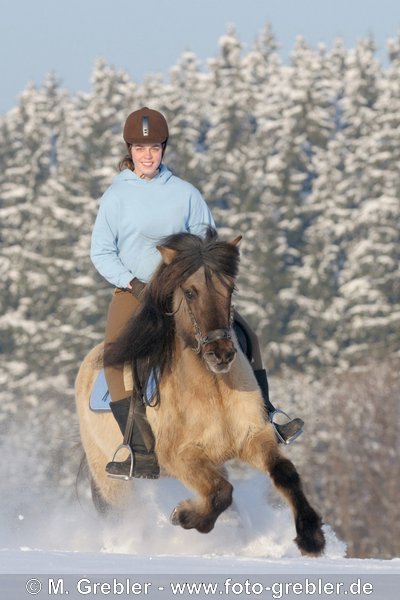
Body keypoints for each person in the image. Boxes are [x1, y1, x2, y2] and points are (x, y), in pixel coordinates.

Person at [90, 107, 304, 480]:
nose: (147, 155)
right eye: (140, 148)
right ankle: (136, 447)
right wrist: (132, 282)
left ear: (164, 149)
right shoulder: (115, 198)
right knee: (113, 358)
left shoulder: (185, 193)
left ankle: (268, 414)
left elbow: (207, 237)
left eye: (154, 147)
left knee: (247, 335)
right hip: (135, 292)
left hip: (188, 291)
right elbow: (101, 252)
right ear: (129, 150)